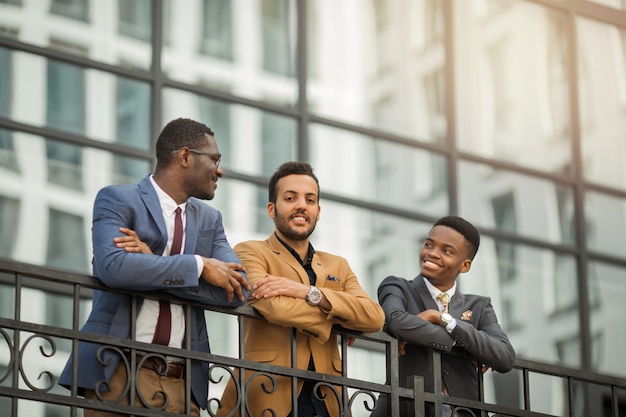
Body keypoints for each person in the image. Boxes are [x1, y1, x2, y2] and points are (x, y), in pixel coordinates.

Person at [58, 117, 251, 416]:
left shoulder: (211, 221)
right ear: (185, 156)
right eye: (214, 159)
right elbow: (115, 269)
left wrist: (151, 262)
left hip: (181, 383)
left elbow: (237, 291)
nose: (220, 170)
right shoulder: (118, 199)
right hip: (117, 371)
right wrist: (198, 266)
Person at [217, 161, 385, 417]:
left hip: (328, 399)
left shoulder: (337, 265)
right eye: (290, 198)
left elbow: (374, 317)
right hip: (267, 393)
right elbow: (275, 308)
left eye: (309, 200)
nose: (301, 206)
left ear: (318, 210)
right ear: (271, 209)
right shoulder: (250, 251)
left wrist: (306, 292)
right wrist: (338, 317)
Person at [371, 215, 515, 417]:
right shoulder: (397, 287)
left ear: (464, 266)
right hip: (406, 410)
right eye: (429, 245)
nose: (432, 253)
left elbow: (505, 357)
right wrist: (468, 346)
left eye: (446, 251)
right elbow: (397, 322)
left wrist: (442, 319)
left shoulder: (479, 306)